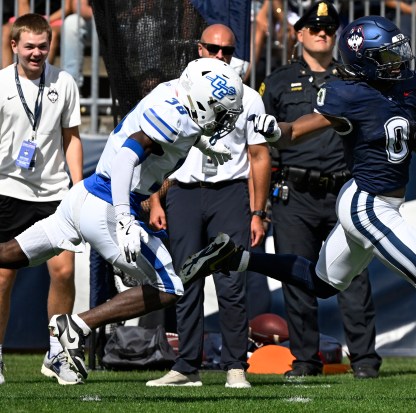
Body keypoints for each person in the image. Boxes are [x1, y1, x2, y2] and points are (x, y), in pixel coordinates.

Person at [180, 15, 416, 399]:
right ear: (364, 61)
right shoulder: (348, 94)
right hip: (367, 203)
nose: (398, 59)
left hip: (380, 201)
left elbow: (404, 125)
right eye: (387, 54)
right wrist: (277, 130)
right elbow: (300, 129)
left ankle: (234, 259)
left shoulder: (408, 85)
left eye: (396, 49)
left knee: (321, 283)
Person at [0, 56, 243, 383]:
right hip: (109, 207)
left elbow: (178, 133)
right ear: (203, 99)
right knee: (171, 287)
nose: (224, 119)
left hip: (83, 195)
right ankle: (77, 325)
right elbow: (129, 154)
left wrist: (203, 146)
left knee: (10, 254)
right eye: (222, 110)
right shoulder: (173, 116)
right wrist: (126, 219)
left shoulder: (176, 95)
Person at [145, 23, 271, 389]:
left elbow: (259, 155)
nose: (220, 57)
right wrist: (155, 199)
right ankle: (186, 366)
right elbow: (156, 149)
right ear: (199, 49)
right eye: (213, 49)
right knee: (185, 281)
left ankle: (235, 366)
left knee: (231, 283)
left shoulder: (248, 96)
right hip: (183, 191)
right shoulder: (172, 91)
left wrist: (258, 212)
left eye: (227, 52)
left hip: (229, 192)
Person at [260, 2, 382, 379]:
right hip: (292, 194)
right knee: (297, 279)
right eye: (314, 27)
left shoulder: (355, 80)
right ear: (298, 34)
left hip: (345, 189)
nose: (322, 33)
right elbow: (260, 144)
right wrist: (260, 204)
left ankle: (364, 361)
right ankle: (305, 360)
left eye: (329, 28)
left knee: (354, 280)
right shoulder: (278, 81)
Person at [0, 13, 82, 386]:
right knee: (2, 279)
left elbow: (72, 137)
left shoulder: (64, 82)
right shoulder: (1, 84)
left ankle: (58, 354)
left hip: (55, 194)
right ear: (14, 45)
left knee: (63, 272)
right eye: (29, 46)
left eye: (43, 46)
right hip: (7, 191)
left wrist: (79, 189)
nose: (36, 53)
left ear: (51, 45)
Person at [61, 0, 94, 90]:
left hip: (129, 22)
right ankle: (71, 90)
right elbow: (79, 7)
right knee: (72, 23)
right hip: (98, 21)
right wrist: (107, 16)